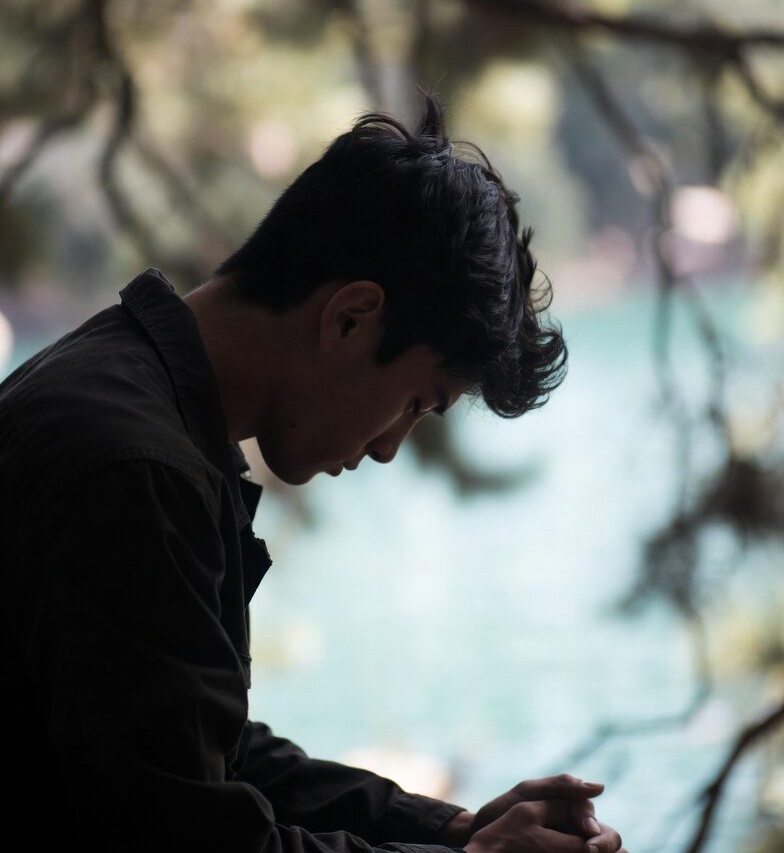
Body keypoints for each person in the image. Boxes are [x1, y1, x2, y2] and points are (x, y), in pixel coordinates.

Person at [0, 95, 625, 852]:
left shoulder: (127, 395)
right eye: (414, 404)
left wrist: (454, 828)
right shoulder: (135, 471)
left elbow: (201, 746)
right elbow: (192, 837)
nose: (389, 448)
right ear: (351, 317)